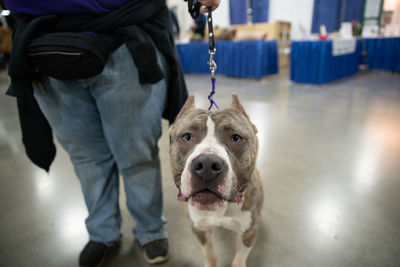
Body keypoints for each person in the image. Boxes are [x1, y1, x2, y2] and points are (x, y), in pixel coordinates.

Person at [3, 0, 220, 267]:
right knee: (86, 157)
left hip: (124, 38)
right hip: (44, 47)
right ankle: (102, 232)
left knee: (137, 154)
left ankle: (150, 229)